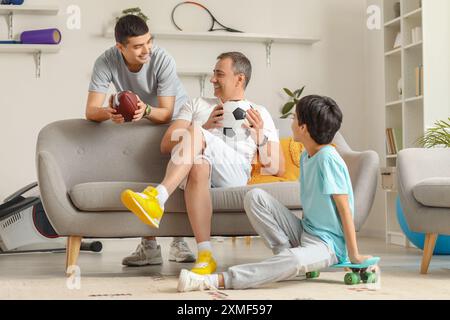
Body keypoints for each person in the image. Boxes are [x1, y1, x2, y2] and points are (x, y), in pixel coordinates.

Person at [176, 95, 372, 291]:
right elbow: (312, 202)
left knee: (294, 260)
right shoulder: (306, 156)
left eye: (294, 118)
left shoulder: (328, 158)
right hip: (306, 232)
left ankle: (217, 280)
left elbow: (345, 210)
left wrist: (353, 255)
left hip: (328, 245)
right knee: (255, 197)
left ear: (303, 128)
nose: (292, 122)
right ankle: (284, 255)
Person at [121, 52, 285, 275]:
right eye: (213, 74)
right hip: (197, 173)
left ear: (240, 79)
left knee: (196, 133)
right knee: (198, 163)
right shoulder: (196, 104)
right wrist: (205, 126)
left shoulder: (259, 113)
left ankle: (157, 196)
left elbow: (277, 168)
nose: (213, 79)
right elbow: (166, 144)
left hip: (233, 173)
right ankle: (205, 255)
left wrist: (260, 137)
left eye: (219, 74)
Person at [85, 14, 195, 266]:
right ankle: (149, 246)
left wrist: (145, 110)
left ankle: (179, 242)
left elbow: (165, 112)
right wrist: (110, 112)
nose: (146, 50)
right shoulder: (106, 61)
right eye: (137, 46)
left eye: (149, 42)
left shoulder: (162, 59)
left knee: (175, 177)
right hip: (140, 116)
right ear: (120, 47)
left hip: (174, 116)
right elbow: (91, 110)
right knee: (142, 175)